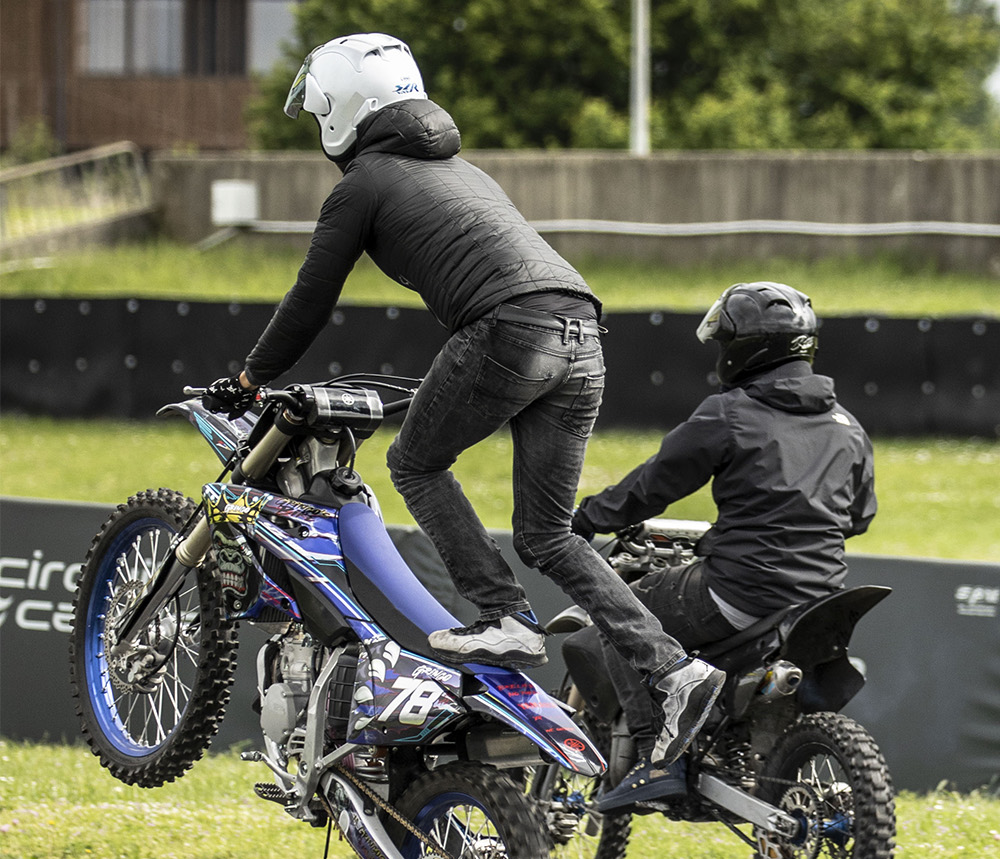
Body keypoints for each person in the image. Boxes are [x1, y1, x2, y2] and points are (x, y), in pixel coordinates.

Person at [199, 33, 724, 754]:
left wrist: (251, 378)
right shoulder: (465, 171)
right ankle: (673, 670)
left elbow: (310, 301)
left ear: (339, 114)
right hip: (582, 332)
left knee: (415, 462)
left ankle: (505, 615)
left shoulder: (362, 185)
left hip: (510, 330)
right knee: (548, 534)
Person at [571, 282, 878, 807]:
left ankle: (655, 754)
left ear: (745, 349)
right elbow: (857, 518)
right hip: (818, 600)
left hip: (741, 592)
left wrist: (586, 517)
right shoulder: (848, 426)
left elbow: (653, 486)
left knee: (618, 614)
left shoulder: (730, 412)